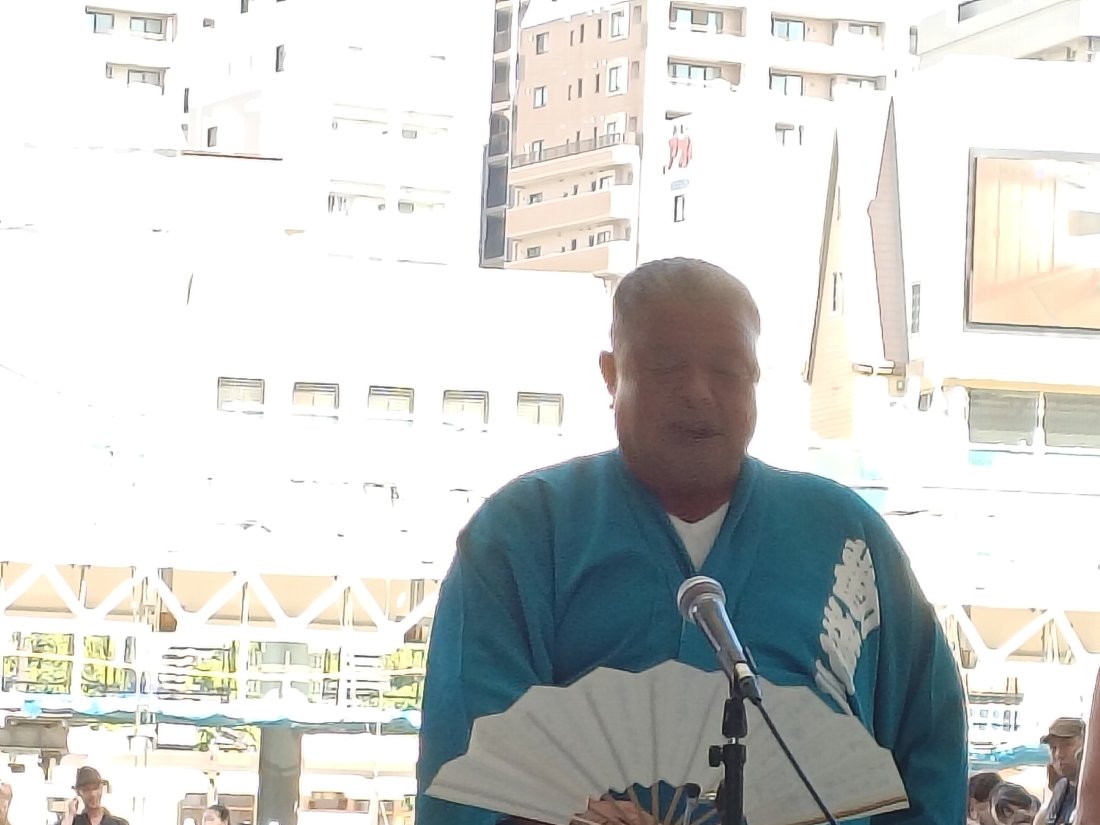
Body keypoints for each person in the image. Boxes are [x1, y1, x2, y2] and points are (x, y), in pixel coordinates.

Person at [415, 258, 968, 825]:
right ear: (611, 374)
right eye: (666, 367)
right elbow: (473, 762)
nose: (698, 393)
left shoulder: (847, 538)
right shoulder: (524, 534)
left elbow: (929, 748)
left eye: (728, 370)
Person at [1034, 718, 1086, 825]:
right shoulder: (1061, 788)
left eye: (1067, 745)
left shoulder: (1093, 789)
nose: (1058, 754)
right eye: (1053, 747)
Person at [61, 767, 128, 825]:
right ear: (78, 792)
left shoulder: (119, 823)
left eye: (96, 788)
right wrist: (70, 815)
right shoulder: (73, 822)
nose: (93, 794)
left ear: (101, 788)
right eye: (87, 790)